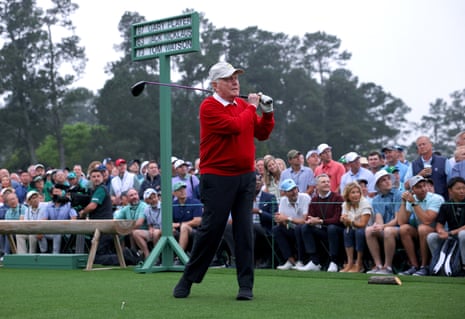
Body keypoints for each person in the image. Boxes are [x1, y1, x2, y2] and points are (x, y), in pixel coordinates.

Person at [173, 61, 275, 300]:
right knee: (211, 231)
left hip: (245, 177)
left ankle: (246, 286)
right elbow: (235, 126)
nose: (235, 82)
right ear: (215, 85)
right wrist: (251, 107)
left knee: (244, 231)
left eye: (236, 78)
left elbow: (261, 132)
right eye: (229, 79)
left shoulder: (241, 104)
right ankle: (188, 279)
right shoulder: (209, 106)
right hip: (217, 178)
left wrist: (267, 112)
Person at [397, 175, 444, 276]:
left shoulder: (436, 198)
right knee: (404, 229)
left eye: (424, 185)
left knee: (423, 228)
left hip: (438, 232)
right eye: (419, 187)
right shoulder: (411, 199)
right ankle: (414, 266)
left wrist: (414, 203)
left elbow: (427, 220)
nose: (423, 189)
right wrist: (404, 202)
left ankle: (424, 266)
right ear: (412, 190)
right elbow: (401, 221)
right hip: (420, 231)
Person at [296, 174, 344, 272]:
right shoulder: (314, 200)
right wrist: (311, 221)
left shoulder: (337, 198)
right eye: (323, 182)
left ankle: (334, 261)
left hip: (337, 230)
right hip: (322, 230)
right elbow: (310, 216)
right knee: (305, 227)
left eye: (328, 182)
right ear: (317, 186)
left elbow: (337, 219)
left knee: (332, 228)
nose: (327, 184)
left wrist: (320, 221)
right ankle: (314, 261)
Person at [365, 170, 402, 274]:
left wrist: (383, 226)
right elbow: (379, 218)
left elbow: (397, 220)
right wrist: (378, 226)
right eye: (383, 180)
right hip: (386, 228)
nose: (387, 181)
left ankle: (388, 267)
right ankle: (378, 265)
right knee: (369, 230)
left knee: (388, 231)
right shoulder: (376, 199)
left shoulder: (398, 194)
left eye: (388, 179)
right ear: (378, 185)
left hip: (399, 228)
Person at [426, 177, 465, 272]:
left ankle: (464, 265)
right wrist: (441, 231)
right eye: (458, 189)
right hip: (451, 236)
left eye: (464, 188)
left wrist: (450, 233)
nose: (462, 191)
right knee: (432, 236)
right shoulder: (446, 205)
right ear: (450, 191)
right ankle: (439, 264)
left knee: (463, 234)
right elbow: (439, 225)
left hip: (459, 234)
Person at [273, 179, 311, 270]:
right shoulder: (283, 200)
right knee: (277, 229)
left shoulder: (305, 197)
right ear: (284, 193)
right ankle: (290, 260)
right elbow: (279, 220)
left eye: (295, 189)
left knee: (299, 228)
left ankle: (301, 260)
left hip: (305, 229)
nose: (294, 192)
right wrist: (281, 219)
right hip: (291, 227)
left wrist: (287, 218)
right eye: (290, 190)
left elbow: (304, 220)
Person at [339, 182, 372, 273]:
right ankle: (350, 263)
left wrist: (351, 222)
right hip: (353, 228)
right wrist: (344, 220)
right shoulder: (345, 204)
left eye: (357, 192)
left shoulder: (365, 203)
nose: (356, 195)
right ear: (348, 195)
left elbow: (363, 224)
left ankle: (359, 263)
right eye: (353, 192)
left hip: (367, 229)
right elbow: (346, 222)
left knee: (359, 232)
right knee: (347, 232)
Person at [404, 136, 450, 200]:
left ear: (431, 145)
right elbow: (406, 186)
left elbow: (451, 184)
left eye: (424, 144)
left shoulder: (444, 161)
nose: (422, 146)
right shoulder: (413, 164)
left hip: (442, 202)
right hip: (420, 203)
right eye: (419, 145)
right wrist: (420, 175)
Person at [39, 183, 78, 253]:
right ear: (51, 195)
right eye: (55, 192)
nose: (58, 194)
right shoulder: (48, 206)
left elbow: (74, 218)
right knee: (38, 232)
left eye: (59, 192)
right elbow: (44, 219)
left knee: (57, 233)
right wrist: (40, 231)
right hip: (52, 230)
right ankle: (44, 252)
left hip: (66, 231)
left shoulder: (69, 204)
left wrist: (67, 227)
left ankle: (55, 254)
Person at [172, 181, 203, 256]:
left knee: (184, 227)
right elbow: (169, 222)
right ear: (174, 193)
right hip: (178, 231)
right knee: (166, 230)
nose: (182, 191)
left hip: (195, 231)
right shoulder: (173, 205)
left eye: (183, 189)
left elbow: (198, 221)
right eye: (179, 190)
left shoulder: (195, 202)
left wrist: (181, 225)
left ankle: (180, 256)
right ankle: (163, 258)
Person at [132, 188, 162, 259]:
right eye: (150, 198)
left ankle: (156, 257)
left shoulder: (164, 206)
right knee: (136, 233)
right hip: (154, 230)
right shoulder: (147, 209)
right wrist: (151, 229)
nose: (154, 199)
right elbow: (150, 225)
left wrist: (154, 230)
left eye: (154, 197)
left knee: (156, 233)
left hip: (165, 229)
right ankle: (147, 255)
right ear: (146, 200)